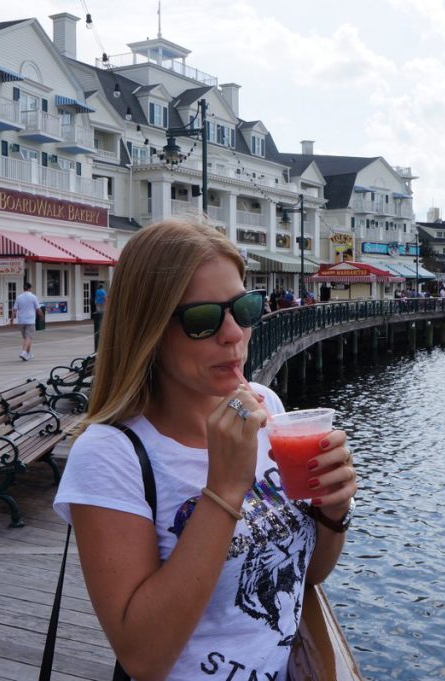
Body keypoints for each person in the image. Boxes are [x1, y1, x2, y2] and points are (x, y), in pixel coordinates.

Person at [53, 219, 357, 680]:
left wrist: (333, 510)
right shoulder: (109, 454)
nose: (234, 333)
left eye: (245, 307)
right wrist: (223, 488)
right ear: (148, 330)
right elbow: (142, 657)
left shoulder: (263, 405)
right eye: (202, 320)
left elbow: (309, 573)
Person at [11, 282, 43, 360]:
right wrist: (41, 316)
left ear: (23, 288)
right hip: (30, 320)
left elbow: (14, 309)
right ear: (30, 288)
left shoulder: (19, 297)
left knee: (26, 338)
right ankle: (24, 352)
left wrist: (12, 319)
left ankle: (28, 354)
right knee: (28, 337)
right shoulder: (33, 297)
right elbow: (38, 309)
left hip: (21, 320)